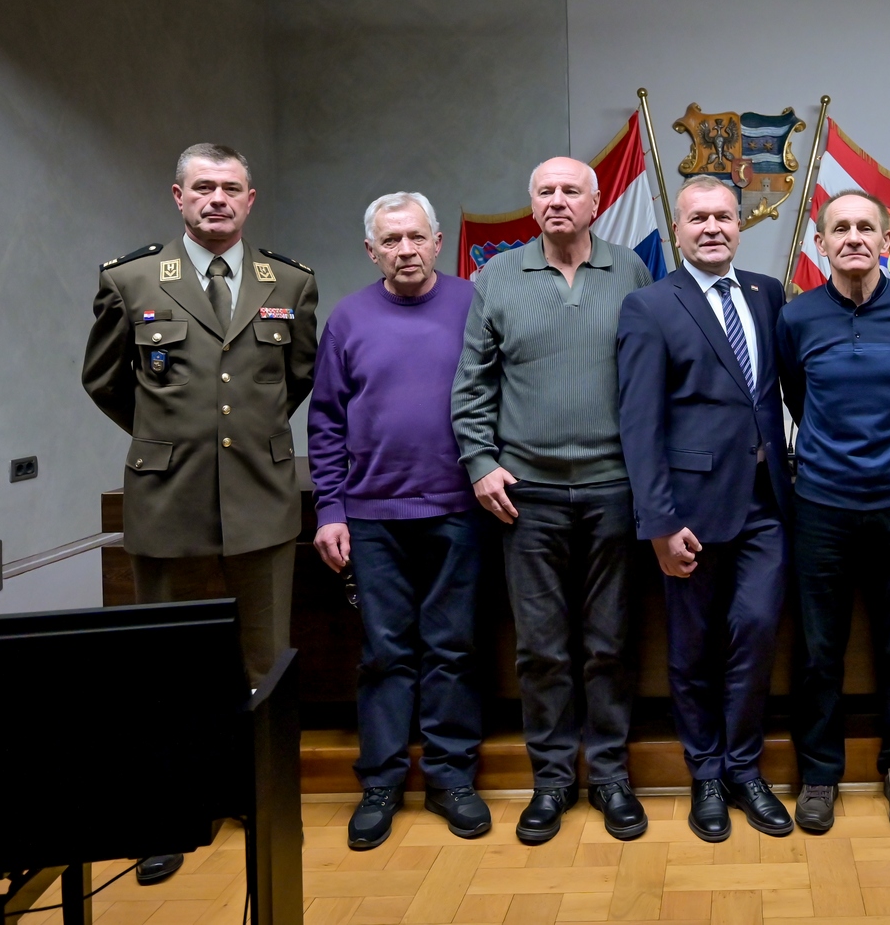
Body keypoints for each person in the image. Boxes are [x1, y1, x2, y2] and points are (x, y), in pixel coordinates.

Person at [82, 143, 318, 885]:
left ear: (250, 200)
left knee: (263, 660)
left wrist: (240, 438)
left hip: (260, 495)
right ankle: (169, 811)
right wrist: (169, 438)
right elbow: (105, 378)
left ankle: (259, 797)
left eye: (231, 187)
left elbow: (297, 376)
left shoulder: (291, 282)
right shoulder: (131, 279)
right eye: (204, 187)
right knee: (166, 662)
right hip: (168, 496)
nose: (218, 198)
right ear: (178, 197)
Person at [451, 156, 654, 844]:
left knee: (609, 644)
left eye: (571, 190)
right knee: (541, 649)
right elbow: (472, 383)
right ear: (532, 204)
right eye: (546, 191)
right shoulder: (497, 277)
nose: (558, 200)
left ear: (595, 203)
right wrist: (480, 462)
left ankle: (612, 777)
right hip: (526, 496)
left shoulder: (632, 271)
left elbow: (653, 377)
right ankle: (552, 781)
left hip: (614, 488)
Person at [616, 175, 795, 843]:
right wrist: (659, 523)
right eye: (699, 218)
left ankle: (745, 769)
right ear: (678, 229)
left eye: (724, 216)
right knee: (693, 648)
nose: (713, 227)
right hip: (689, 512)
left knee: (756, 631)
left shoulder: (767, 293)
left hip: (766, 502)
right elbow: (639, 424)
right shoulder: (649, 305)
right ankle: (707, 775)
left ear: (739, 225)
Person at [308, 192, 489, 850]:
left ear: (438, 242)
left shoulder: (473, 304)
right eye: (391, 240)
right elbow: (326, 421)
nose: (405, 250)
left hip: (457, 509)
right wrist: (330, 507)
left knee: (452, 647)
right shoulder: (348, 318)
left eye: (416, 237)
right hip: (373, 514)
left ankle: (451, 778)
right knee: (385, 653)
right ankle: (381, 782)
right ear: (371, 251)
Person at [776, 190, 890, 835]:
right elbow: (795, 394)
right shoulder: (796, 317)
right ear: (821, 244)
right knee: (820, 650)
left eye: (865, 227)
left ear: (884, 240)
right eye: (839, 228)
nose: (853, 238)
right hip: (822, 504)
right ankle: (820, 774)